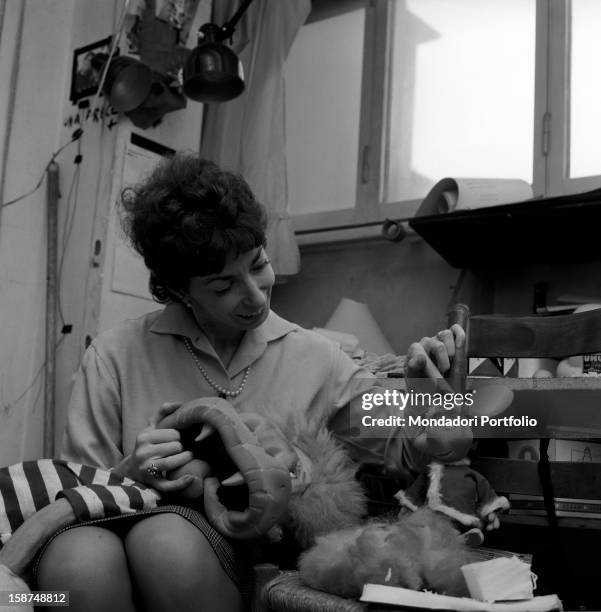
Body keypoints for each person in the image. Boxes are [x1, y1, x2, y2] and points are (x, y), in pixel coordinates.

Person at [35, 153, 468, 612]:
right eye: (223, 286)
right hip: (113, 524)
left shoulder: (316, 358)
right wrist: (130, 471)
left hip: (237, 548)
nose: (255, 295)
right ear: (179, 290)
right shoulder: (114, 355)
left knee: (162, 541)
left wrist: (425, 400)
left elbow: (406, 450)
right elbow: (78, 493)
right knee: (74, 565)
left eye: (258, 264)